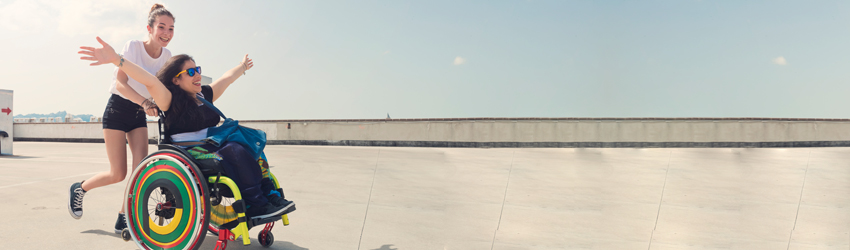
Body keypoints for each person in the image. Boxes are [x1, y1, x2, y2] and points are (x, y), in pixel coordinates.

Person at [79, 37, 295, 220]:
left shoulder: (205, 95)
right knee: (235, 149)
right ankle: (255, 205)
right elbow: (150, 81)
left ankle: (270, 194)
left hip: (211, 145)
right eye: (191, 72)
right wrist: (117, 60)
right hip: (188, 150)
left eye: (198, 69)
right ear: (176, 79)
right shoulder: (169, 99)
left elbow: (226, 79)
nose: (197, 75)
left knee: (251, 144)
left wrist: (242, 66)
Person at [67, 4, 176, 234]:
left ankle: (124, 216)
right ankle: (80, 188)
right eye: (161, 27)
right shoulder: (134, 47)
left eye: (171, 28)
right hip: (117, 109)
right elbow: (120, 84)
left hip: (138, 115)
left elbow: (161, 88)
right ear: (150, 28)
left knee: (140, 171)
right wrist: (146, 102)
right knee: (118, 173)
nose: (166, 33)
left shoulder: (167, 56)